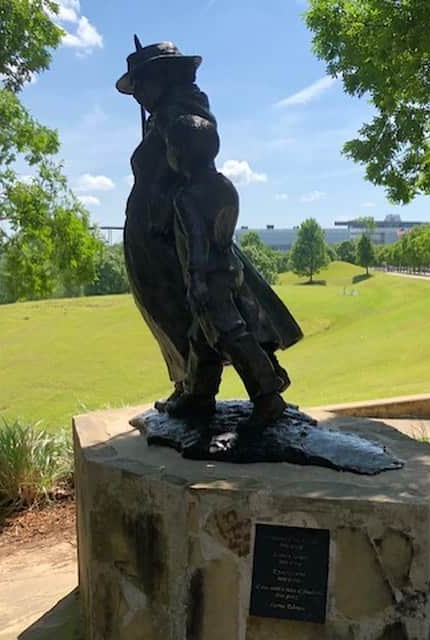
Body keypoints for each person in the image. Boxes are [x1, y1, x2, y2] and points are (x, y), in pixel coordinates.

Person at [116, 40, 302, 430]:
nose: (141, 94)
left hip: (176, 241)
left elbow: (191, 200)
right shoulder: (163, 117)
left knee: (208, 323)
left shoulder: (184, 119)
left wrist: (186, 251)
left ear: (164, 77)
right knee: (189, 326)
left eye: (143, 83)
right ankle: (194, 392)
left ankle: (261, 390)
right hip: (163, 236)